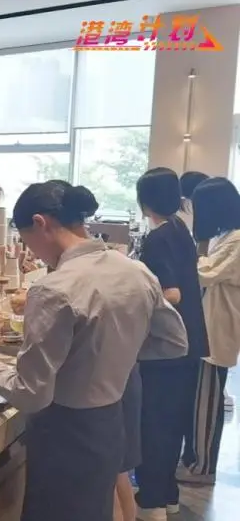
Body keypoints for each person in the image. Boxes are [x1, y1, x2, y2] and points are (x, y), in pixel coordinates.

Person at [0, 181, 188, 521]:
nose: (34, 253)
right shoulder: (135, 271)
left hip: (64, 432)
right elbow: (174, 341)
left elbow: (31, 394)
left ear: (40, 223)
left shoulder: (54, 288)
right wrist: (114, 349)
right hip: (110, 422)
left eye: (28, 241)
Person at [134, 167, 209, 520]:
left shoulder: (158, 238)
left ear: (145, 200)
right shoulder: (180, 228)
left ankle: (151, 502)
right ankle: (167, 495)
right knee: (172, 423)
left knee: (153, 424)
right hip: (190, 342)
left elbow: (172, 293)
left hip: (166, 347)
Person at [176, 178, 240, 486]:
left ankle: (202, 468)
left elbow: (203, 273)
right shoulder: (223, 236)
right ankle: (194, 459)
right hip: (206, 330)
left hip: (217, 332)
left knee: (206, 405)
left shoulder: (237, 240)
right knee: (197, 402)